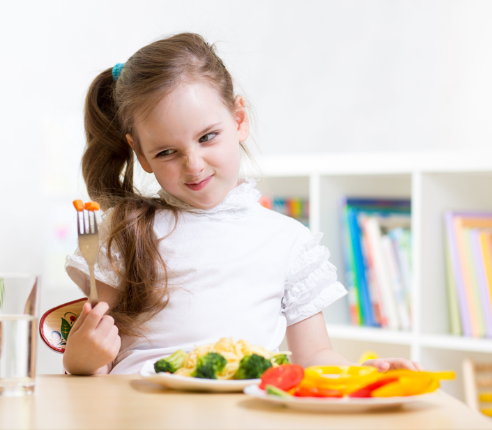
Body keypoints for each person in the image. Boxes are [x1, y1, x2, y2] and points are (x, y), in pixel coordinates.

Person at [63, 33, 423, 376]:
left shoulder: (288, 242)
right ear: (141, 154)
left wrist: (360, 373)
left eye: (208, 137)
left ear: (239, 119)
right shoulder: (124, 230)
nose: (194, 164)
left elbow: (314, 355)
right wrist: (80, 361)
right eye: (167, 152)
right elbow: (99, 361)